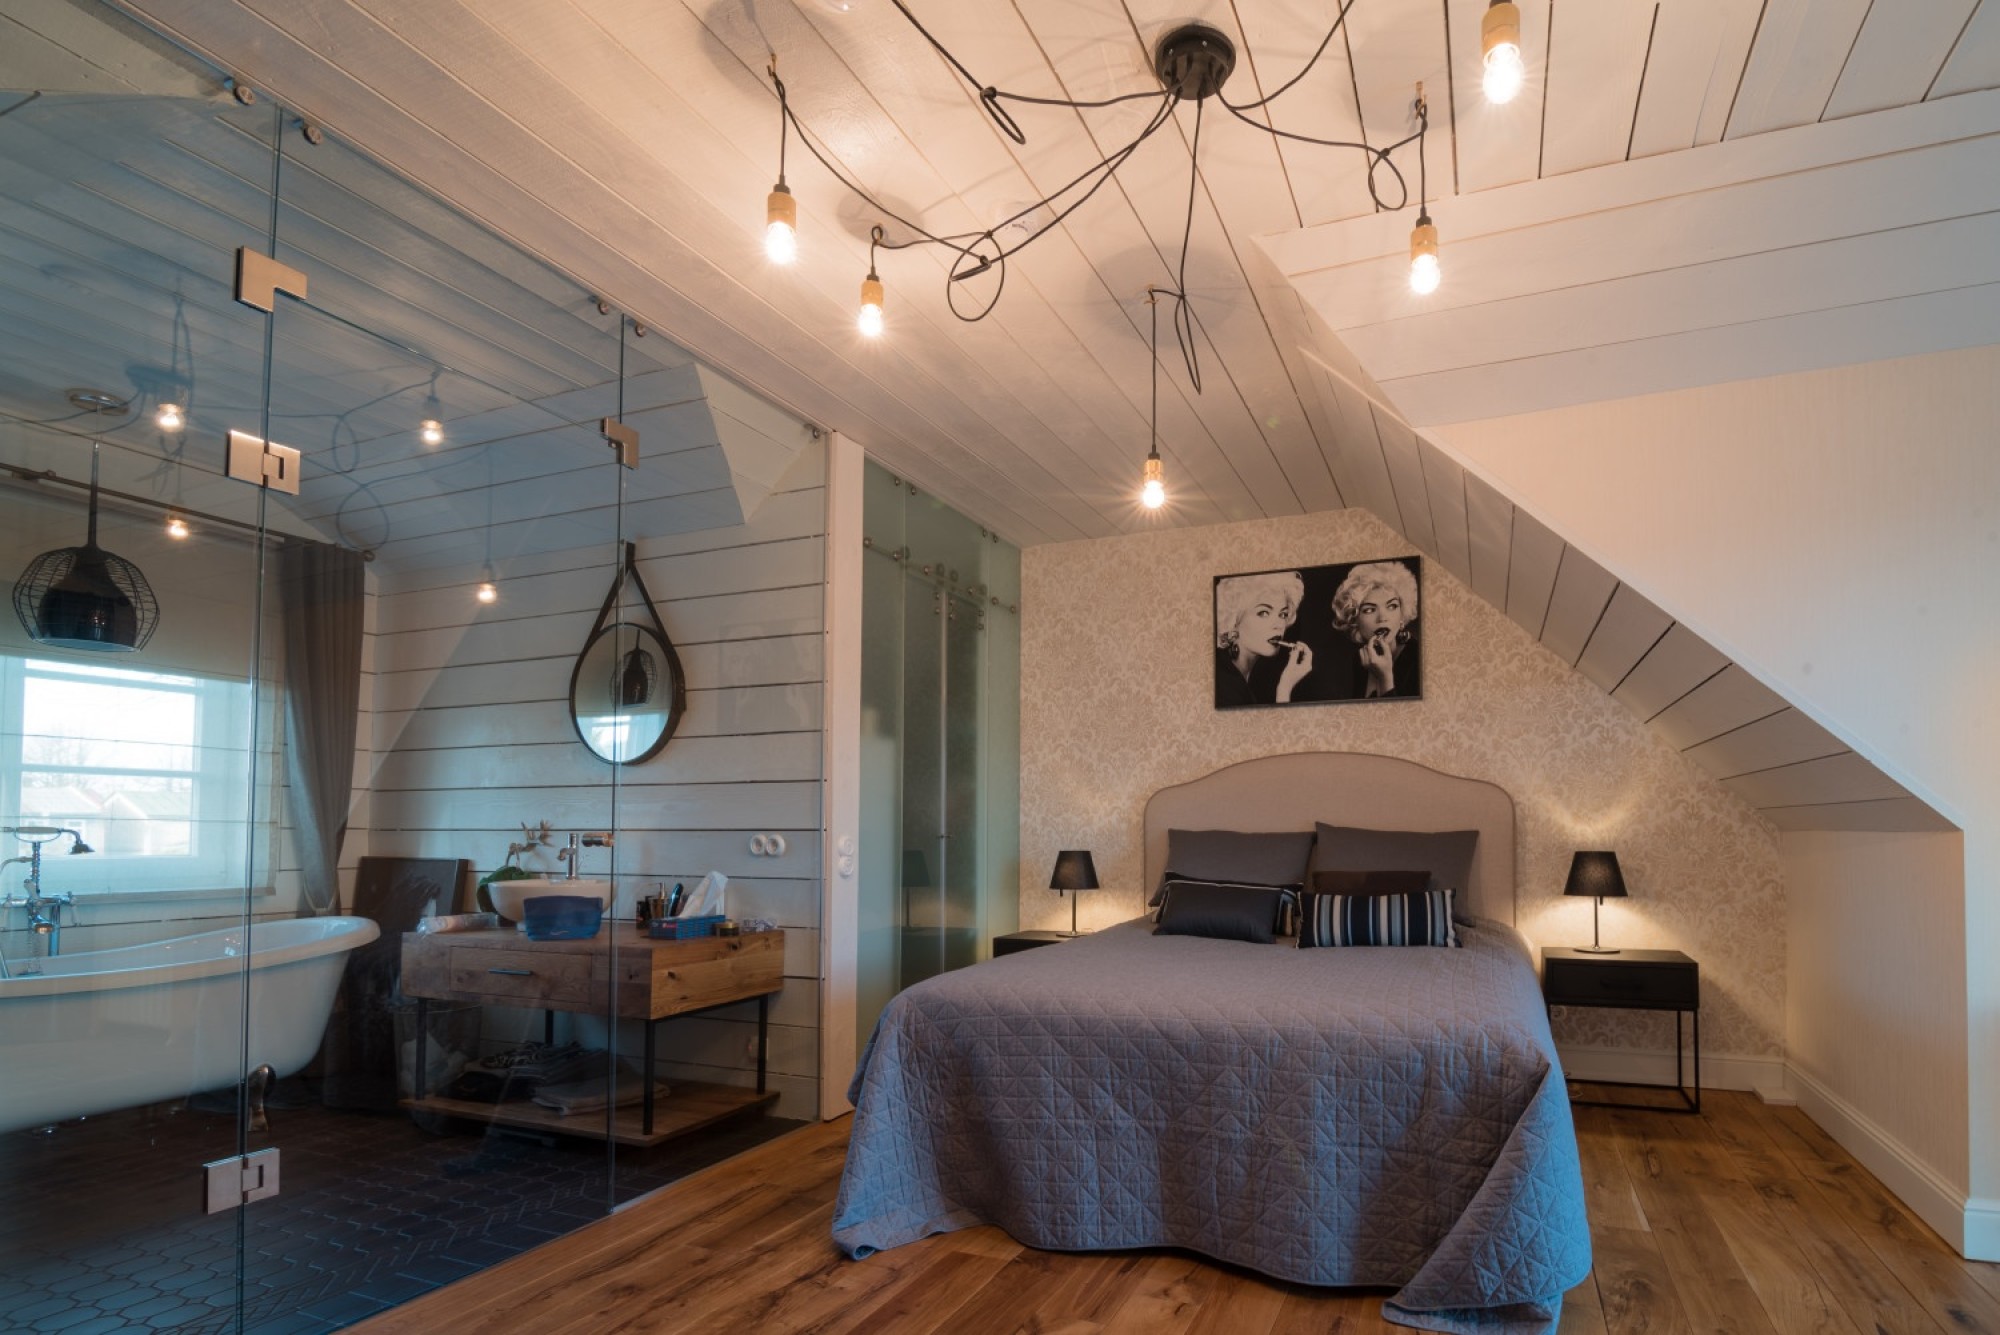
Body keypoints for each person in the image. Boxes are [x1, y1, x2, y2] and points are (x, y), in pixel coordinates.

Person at [1214, 570, 1312, 707]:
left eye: (1283, 614)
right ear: (1234, 621)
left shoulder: (1238, 677)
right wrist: (1284, 690)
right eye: (1264, 613)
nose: (1279, 625)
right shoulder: (1224, 688)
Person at [1329, 560, 1419, 698]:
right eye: (1370, 610)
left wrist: (1385, 677)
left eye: (1392, 606)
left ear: (1402, 614)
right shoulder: (1361, 659)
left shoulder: (1416, 658)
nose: (1382, 618)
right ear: (1355, 620)